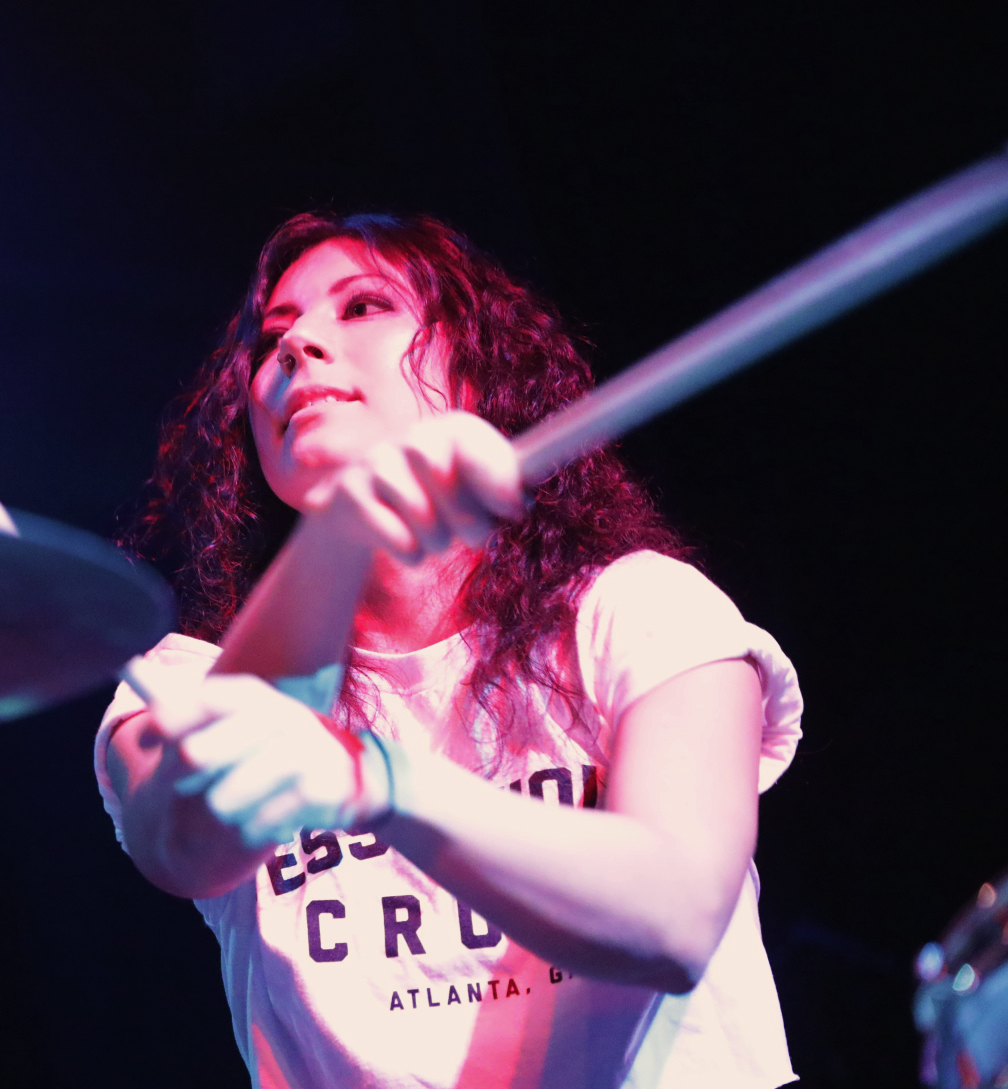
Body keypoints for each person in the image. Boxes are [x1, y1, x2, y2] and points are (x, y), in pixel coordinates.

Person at [96, 213, 802, 1089]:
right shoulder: (181, 682)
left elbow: (672, 921)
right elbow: (184, 843)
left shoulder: (639, 608)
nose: (298, 345)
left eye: (363, 307)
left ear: (476, 363)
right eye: (273, 337)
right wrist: (338, 534)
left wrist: (383, 783)